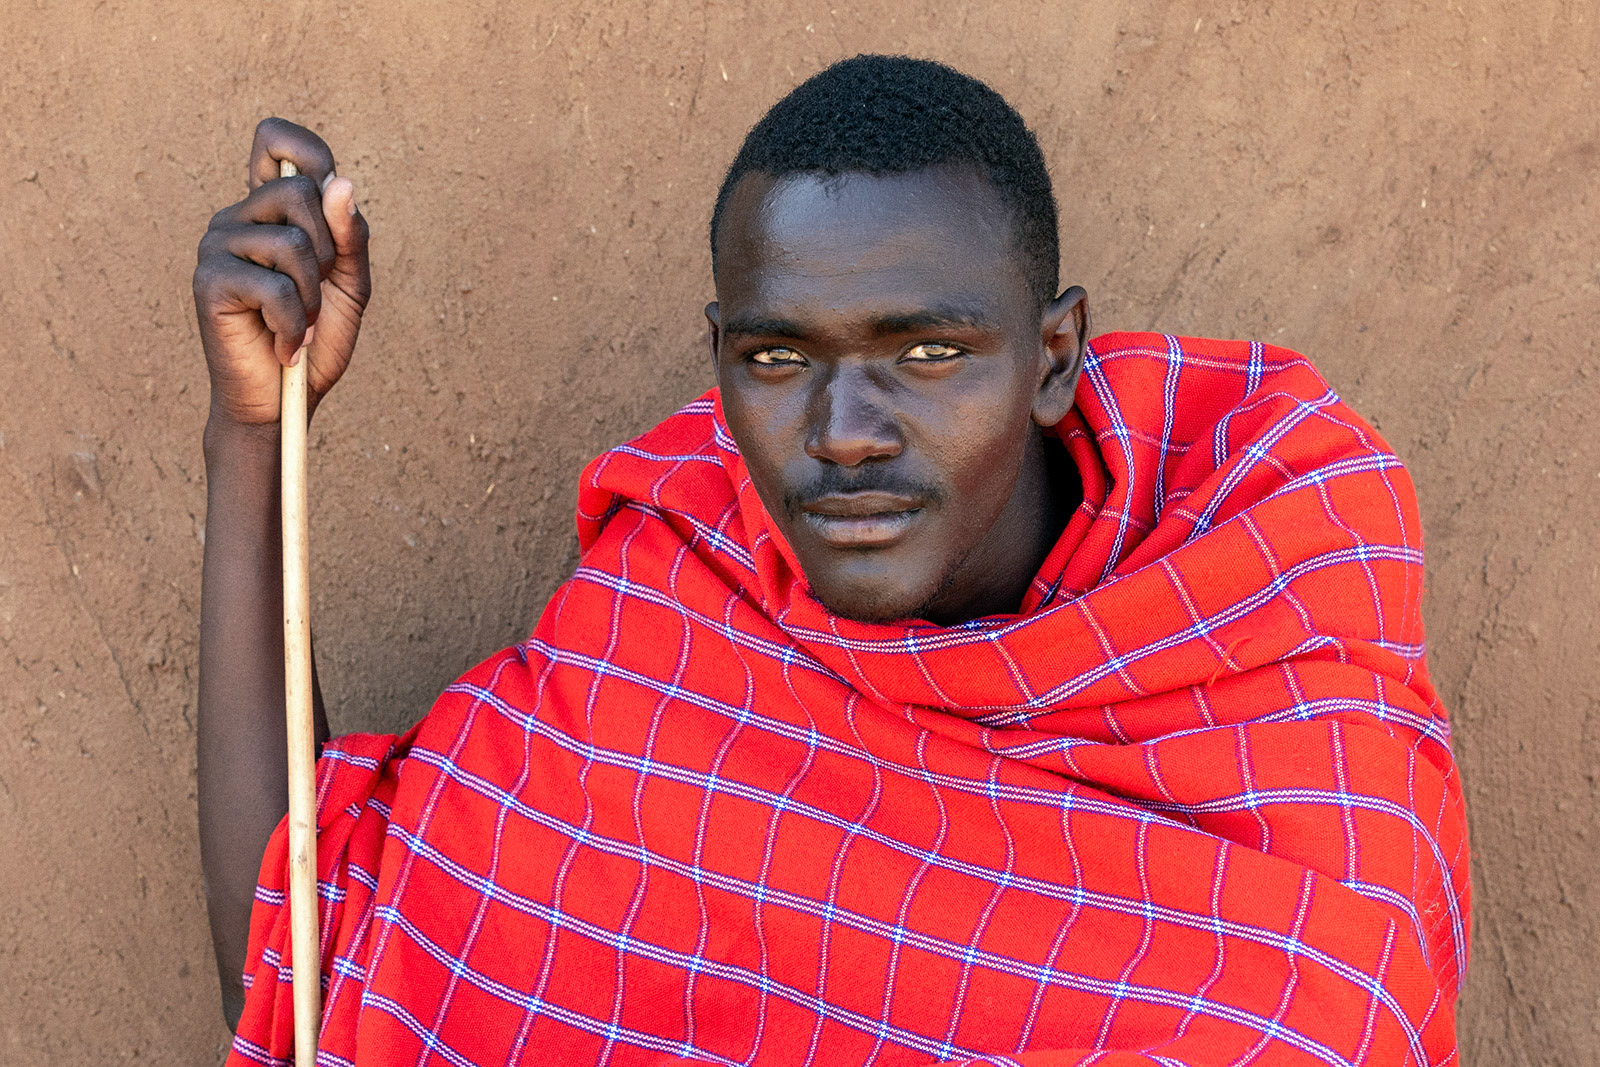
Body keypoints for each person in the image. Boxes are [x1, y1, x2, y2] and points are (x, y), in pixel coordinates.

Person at [194, 55, 1469, 1066]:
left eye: (925, 355)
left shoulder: (1273, 637)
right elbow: (315, 966)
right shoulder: (681, 612)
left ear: (1054, 358)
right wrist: (256, 434)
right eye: (777, 358)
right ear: (719, 361)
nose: (843, 434)